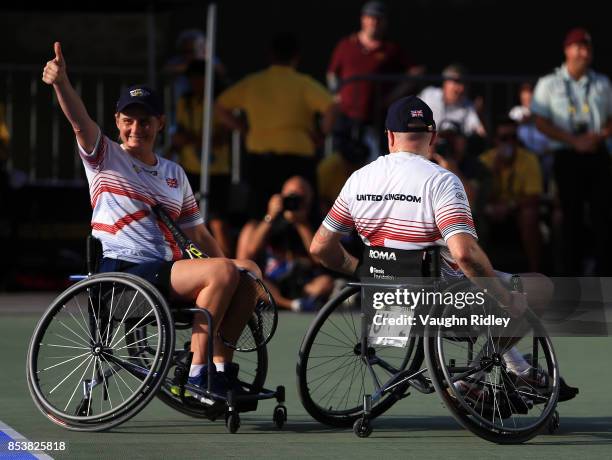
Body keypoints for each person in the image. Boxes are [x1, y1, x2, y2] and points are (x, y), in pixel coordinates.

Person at [310, 95, 577, 401]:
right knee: (535, 288)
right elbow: (465, 255)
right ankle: (474, 379)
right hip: (442, 310)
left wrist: (363, 269)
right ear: (433, 137)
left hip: (387, 311)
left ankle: (519, 369)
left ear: (389, 136)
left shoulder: (358, 179)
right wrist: (505, 299)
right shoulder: (442, 181)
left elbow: (320, 248)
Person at [42, 42, 259, 397]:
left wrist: (234, 267)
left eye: (145, 121)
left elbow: (198, 233)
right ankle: (196, 374)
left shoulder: (174, 173)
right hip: (122, 275)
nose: (136, 128)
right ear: (117, 122)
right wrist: (61, 83)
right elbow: (79, 122)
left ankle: (220, 370)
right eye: (128, 121)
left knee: (245, 275)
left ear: (160, 123)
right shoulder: (104, 157)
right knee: (223, 272)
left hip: (164, 273)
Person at [215, 32, 337, 220]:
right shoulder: (303, 83)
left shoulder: (253, 83)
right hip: (298, 162)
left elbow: (220, 106)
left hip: (261, 162)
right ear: (296, 57)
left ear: (270, 55)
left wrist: (243, 128)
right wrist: (322, 133)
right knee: (301, 218)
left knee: (258, 218)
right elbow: (331, 106)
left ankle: (252, 249)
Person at [532, 27, 612, 276]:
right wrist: (572, 140)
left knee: (604, 217)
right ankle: (570, 279)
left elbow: (611, 118)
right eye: (578, 47)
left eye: (587, 47)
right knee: (570, 218)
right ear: (567, 50)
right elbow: (540, 121)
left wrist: (597, 137)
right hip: (567, 156)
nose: (583, 52)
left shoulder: (602, 82)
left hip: (597, 154)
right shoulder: (549, 83)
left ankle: (603, 276)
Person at [327, 1, 422, 160]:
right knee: (338, 160)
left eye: (378, 18)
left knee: (377, 159)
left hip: (377, 120)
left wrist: (393, 96)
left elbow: (416, 72)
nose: (374, 22)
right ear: (363, 19)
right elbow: (331, 74)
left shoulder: (391, 49)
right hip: (346, 118)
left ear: (384, 22)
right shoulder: (346, 45)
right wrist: (336, 95)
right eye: (370, 17)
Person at [236, 176, 334, 312]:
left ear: (309, 200)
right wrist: (270, 216)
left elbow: (318, 259)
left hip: (302, 282)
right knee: (255, 283)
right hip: (272, 281)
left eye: (300, 198)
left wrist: (302, 224)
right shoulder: (268, 221)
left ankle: (300, 302)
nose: (294, 202)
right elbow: (251, 251)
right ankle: (292, 304)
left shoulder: (315, 221)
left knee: (326, 282)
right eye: (290, 196)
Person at [171, 59, 234, 256]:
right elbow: (180, 133)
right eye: (192, 80)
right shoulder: (185, 101)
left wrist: (191, 139)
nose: (195, 84)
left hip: (217, 170)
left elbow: (220, 139)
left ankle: (226, 262)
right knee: (188, 221)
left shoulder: (221, 102)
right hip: (190, 168)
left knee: (217, 221)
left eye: (199, 80)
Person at [479, 118, 543, 272]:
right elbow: (478, 198)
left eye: (513, 137)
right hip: (490, 209)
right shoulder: (485, 160)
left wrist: (510, 206)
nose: (509, 142)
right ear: (495, 140)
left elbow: (534, 196)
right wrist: (493, 172)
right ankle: (478, 276)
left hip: (516, 209)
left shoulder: (528, 159)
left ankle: (536, 271)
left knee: (529, 215)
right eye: (504, 138)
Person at [419, 64, 486, 138]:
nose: (461, 88)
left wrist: (480, 115)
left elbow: (481, 133)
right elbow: (410, 117)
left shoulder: (469, 106)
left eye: (464, 83)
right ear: (445, 82)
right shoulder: (429, 95)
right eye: (456, 82)